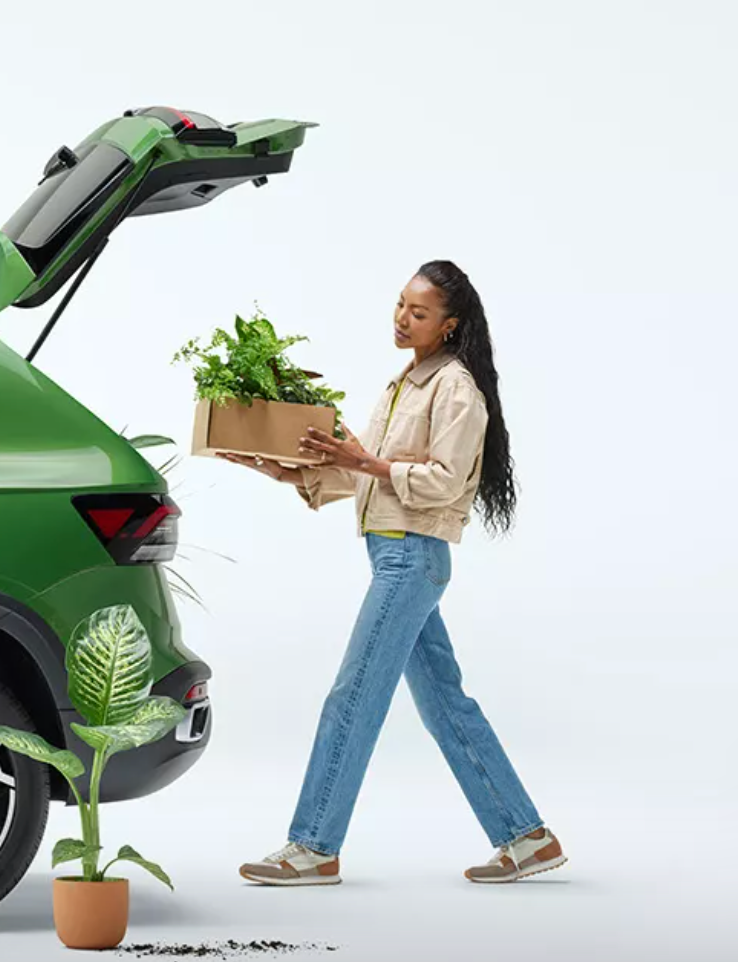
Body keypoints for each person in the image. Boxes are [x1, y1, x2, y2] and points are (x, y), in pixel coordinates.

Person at [222, 260, 563, 887]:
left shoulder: (456, 388)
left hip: (413, 558)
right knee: (446, 707)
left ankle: (313, 846)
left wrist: (367, 462)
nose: (403, 319)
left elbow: (440, 482)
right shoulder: (404, 382)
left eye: (419, 312)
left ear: (451, 324)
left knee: (353, 697)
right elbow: (361, 473)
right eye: (401, 305)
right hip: (395, 555)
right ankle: (526, 836)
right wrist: (279, 470)